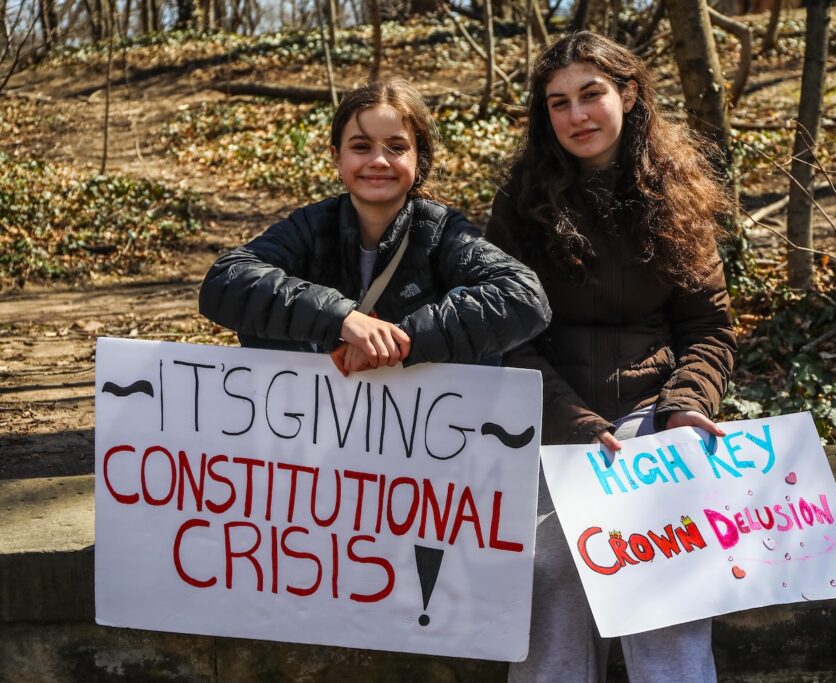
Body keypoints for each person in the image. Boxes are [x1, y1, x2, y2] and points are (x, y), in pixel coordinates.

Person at [486, 32, 737, 682]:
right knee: (549, 567)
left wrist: (684, 406)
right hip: (551, 424)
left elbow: (708, 326)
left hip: (654, 416)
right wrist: (577, 424)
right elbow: (506, 337)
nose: (577, 115)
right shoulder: (520, 204)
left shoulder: (678, 192)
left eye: (591, 94)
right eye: (559, 102)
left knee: (665, 565)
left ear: (627, 92)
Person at [199, 78, 550, 374]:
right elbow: (224, 281)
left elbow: (525, 297)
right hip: (316, 427)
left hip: (426, 430)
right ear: (337, 156)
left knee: (470, 303)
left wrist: (398, 340)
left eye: (396, 147)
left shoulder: (443, 231)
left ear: (419, 158)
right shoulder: (313, 225)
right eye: (361, 146)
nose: (378, 161)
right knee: (264, 308)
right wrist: (344, 320)